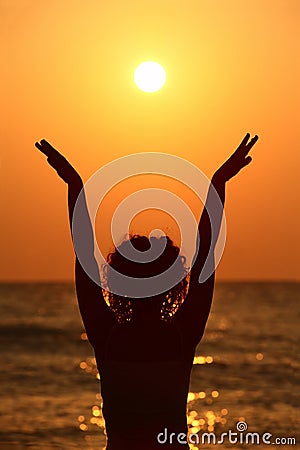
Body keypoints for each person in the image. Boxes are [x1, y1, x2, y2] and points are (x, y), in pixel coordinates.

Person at [35, 133, 258, 449]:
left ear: (116, 279)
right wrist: (217, 184)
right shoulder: (182, 334)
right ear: (172, 282)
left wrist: (76, 186)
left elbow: (84, 252)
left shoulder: (107, 336)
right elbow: (205, 252)